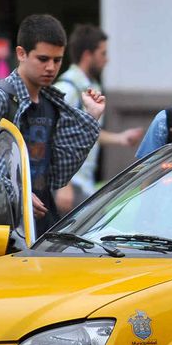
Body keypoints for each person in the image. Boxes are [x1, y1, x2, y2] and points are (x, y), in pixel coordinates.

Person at [0, 14, 104, 237]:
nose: (51, 67)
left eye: (57, 60)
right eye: (43, 59)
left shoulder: (52, 101)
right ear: (21, 53)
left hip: (42, 222)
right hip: (0, 226)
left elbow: (60, 174)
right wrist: (18, 193)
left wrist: (90, 118)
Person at [54, 25, 143, 215]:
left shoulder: (90, 85)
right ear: (88, 55)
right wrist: (64, 185)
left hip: (83, 182)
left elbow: (88, 131)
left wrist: (120, 138)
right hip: (71, 185)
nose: (107, 59)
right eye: (103, 53)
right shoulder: (67, 88)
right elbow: (53, 135)